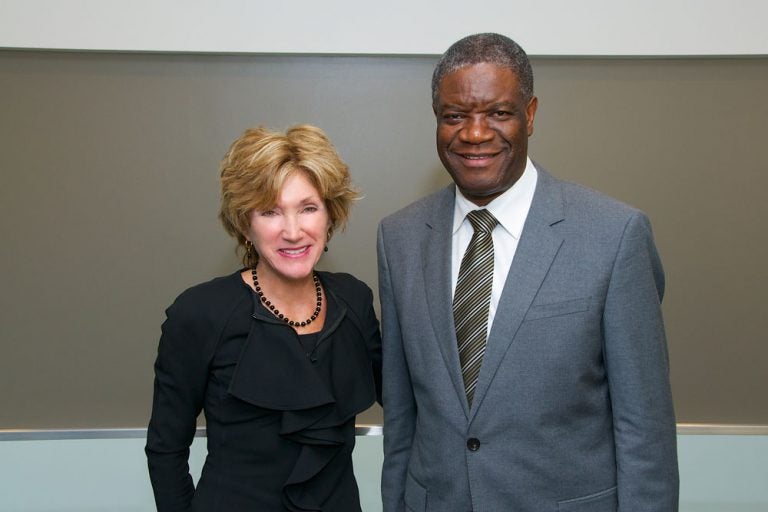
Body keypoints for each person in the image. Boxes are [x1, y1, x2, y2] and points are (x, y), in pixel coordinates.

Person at [377, 33, 678, 511]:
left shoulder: (614, 235)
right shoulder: (400, 238)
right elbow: (402, 418)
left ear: (530, 114)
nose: (475, 133)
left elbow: (645, 428)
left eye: (498, 113)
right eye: (455, 116)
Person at [146, 124, 382, 512]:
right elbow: (166, 448)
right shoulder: (201, 313)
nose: (293, 231)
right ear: (245, 225)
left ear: (330, 215)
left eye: (308, 208)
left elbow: (410, 399)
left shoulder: (353, 301)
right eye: (270, 212)